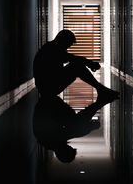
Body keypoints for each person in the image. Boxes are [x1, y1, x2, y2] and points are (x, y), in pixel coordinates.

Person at [32, 29, 119, 163]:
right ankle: (101, 90)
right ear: (64, 40)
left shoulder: (52, 47)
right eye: (69, 44)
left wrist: (89, 127)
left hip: (47, 89)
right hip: (48, 88)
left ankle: (101, 89)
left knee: (77, 65)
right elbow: (73, 59)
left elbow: (73, 133)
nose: (69, 47)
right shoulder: (53, 49)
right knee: (77, 66)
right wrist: (89, 62)